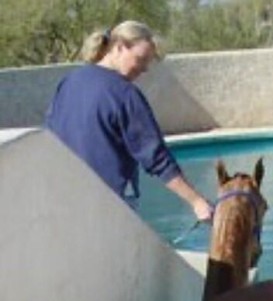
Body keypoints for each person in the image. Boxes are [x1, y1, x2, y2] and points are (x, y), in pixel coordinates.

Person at [45, 21, 213, 221]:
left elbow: (49, 136)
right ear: (118, 47)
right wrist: (197, 201)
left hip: (64, 201)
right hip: (109, 206)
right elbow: (157, 158)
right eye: (140, 60)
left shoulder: (69, 82)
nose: (144, 69)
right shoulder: (125, 95)